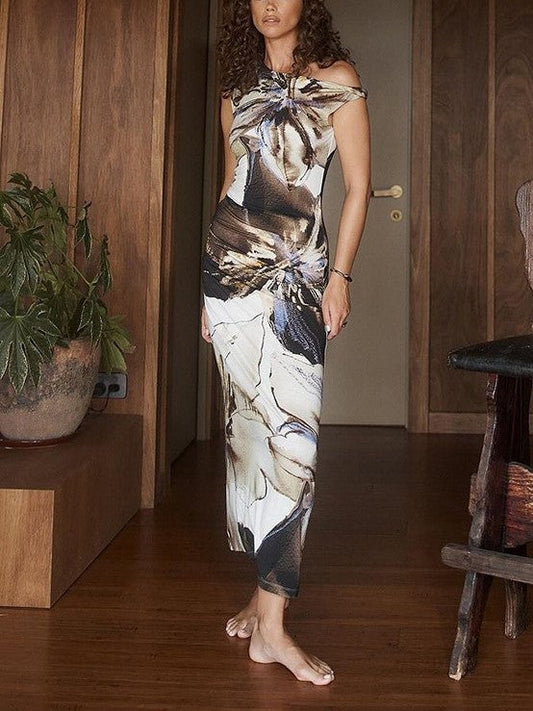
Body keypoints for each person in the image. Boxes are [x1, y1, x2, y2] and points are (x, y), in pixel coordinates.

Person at [201, 0, 370, 686]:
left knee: (293, 439)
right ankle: (264, 602)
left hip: (299, 277)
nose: (269, 3)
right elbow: (230, 186)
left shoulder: (337, 79)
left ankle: (272, 624)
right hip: (229, 275)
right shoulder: (235, 91)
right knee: (248, 435)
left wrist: (341, 277)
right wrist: (206, 291)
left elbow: (357, 187)